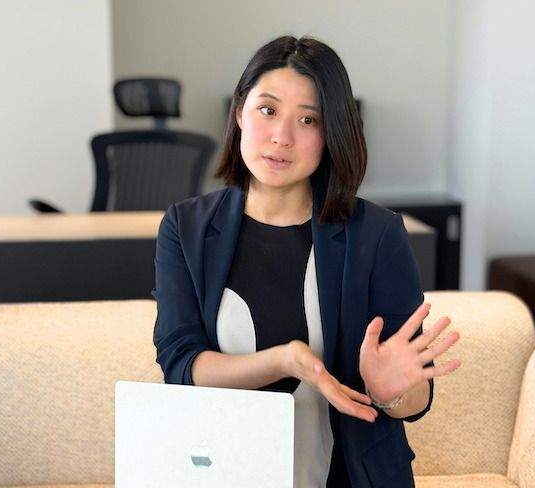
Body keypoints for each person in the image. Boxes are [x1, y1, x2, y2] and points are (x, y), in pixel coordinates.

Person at [152, 35, 461, 488]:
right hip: (225, 472)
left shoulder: (377, 234)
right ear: (239, 113)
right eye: (268, 110)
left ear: (331, 134)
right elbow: (181, 366)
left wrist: (388, 394)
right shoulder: (186, 228)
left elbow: (415, 398)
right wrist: (285, 361)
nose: (282, 136)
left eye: (308, 119)